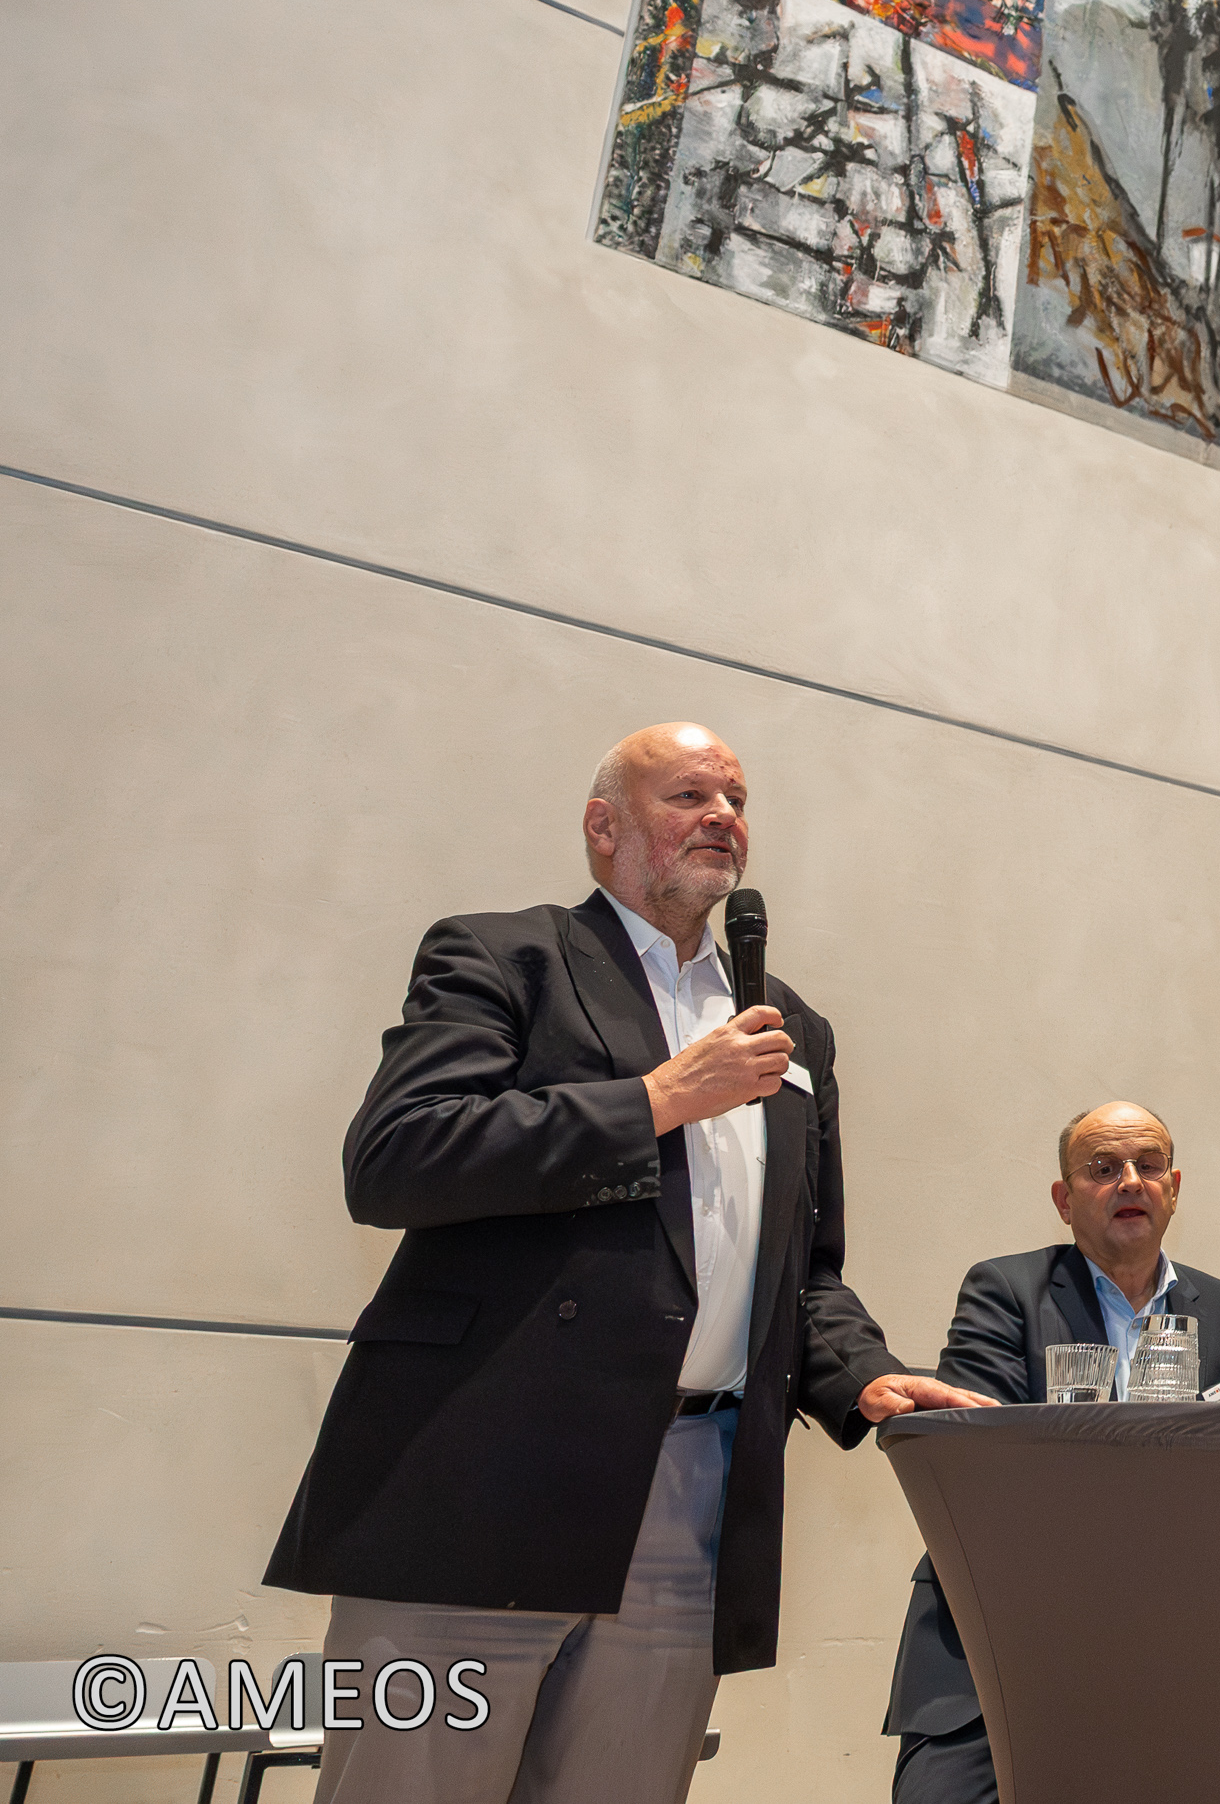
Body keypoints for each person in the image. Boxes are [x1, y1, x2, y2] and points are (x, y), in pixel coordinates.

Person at [264, 723, 988, 1804]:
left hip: (690, 1501)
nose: (723, 816)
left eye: (737, 799)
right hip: (482, 1477)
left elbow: (800, 1267)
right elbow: (396, 1158)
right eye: (689, 794)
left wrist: (861, 1374)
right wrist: (658, 1099)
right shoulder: (507, 957)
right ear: (604, 827)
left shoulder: (791, 1028)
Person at [883, 1102, 1220, 1804]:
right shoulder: (1005, 1290)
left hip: (1175, 1620)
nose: (1131, 1182)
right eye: (1104, 1168)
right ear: (1064, 1199)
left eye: (1149, 1166)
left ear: (1174, 1189)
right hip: (1013, 1625)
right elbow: (980, 1461)